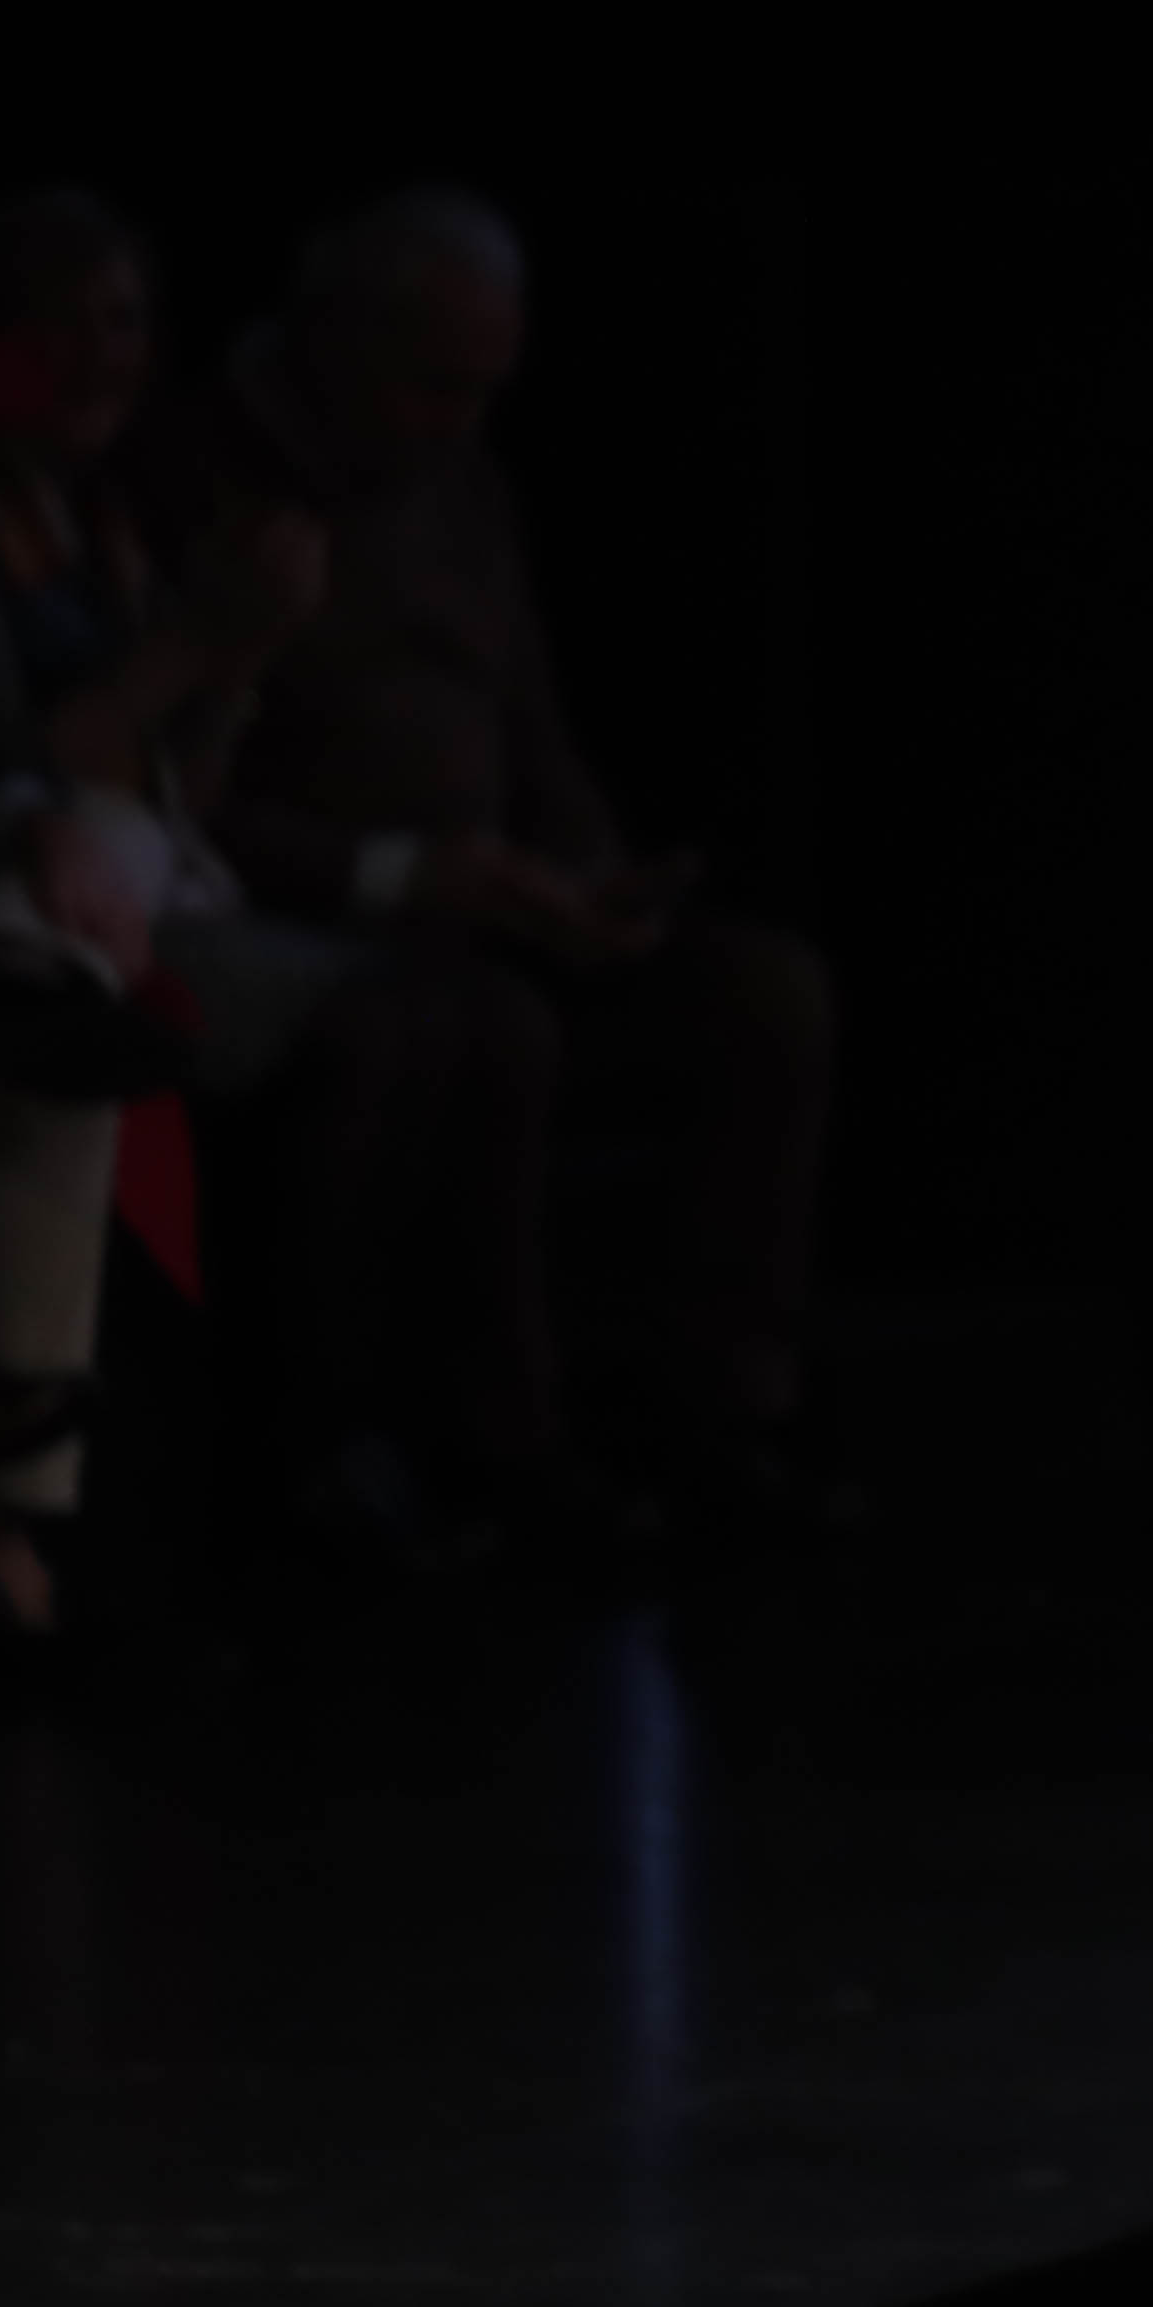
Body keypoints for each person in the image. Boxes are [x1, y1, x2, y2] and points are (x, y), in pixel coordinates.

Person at [193, 184, 841, 1530]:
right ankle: (496, 1445)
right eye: (434, 384)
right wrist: (404, 873)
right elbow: (178, 793)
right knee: (485, 1024)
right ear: (343, 338)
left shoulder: (461, 482)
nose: (461, 420)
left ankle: (718, 1412)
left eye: (485, 390)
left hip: (491, 899)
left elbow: (528, 725)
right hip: (319, 914)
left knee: (761, 993)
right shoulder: (208, 485)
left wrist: (594, 876)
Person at [0, 191, 208, 1638]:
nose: (96, 357)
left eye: (122, 321)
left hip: (67, 887)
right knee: (46, 1022)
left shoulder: (104, 520)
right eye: (56, 324)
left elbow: (4, 768)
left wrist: (227, 658)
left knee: (47, 1065)